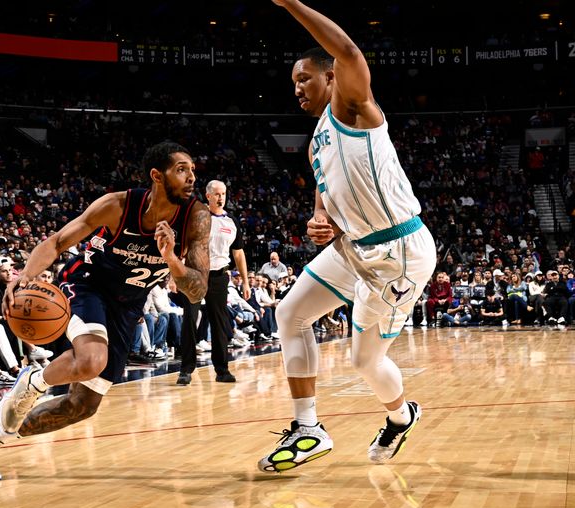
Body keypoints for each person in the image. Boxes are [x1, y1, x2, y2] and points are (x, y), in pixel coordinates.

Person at [257, 0, 437, 474]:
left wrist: (290, 4)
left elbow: (351, 51)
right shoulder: (318, 138)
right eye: (293, 82)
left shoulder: (355, 108)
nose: (297, 87)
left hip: (397, 252)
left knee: (364, 360)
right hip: (354, 245)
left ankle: (401, 416)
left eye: (305, 78)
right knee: (290, 312)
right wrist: (321, 220)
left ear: (331, 78)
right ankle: (308, 427)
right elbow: (326, 190)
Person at [0, 141, 211, 481]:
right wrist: (24, 278)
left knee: (80, 407)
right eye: (182, 169)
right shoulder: (117, 206)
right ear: (157, 175)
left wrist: (171, 260)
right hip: (87, 286)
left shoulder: (196, 217)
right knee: (92, 359)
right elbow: (56, 242)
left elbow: (198, 289)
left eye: (193, 170)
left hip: (127, 306)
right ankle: (33, 382)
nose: (191, 176)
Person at [177, 180, 250, 385]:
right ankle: (186, 369)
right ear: (208, 196)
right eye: (217, 194)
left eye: (224, 194)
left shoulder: (231, 221)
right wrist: (173, 275)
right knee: (189, 320)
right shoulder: (197, 217)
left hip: (219, 277)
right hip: (194, 275)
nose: (221, 198)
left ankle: (222, 370)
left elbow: (238, 253)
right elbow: (183, 247)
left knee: (220, 323)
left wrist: (245, 282)